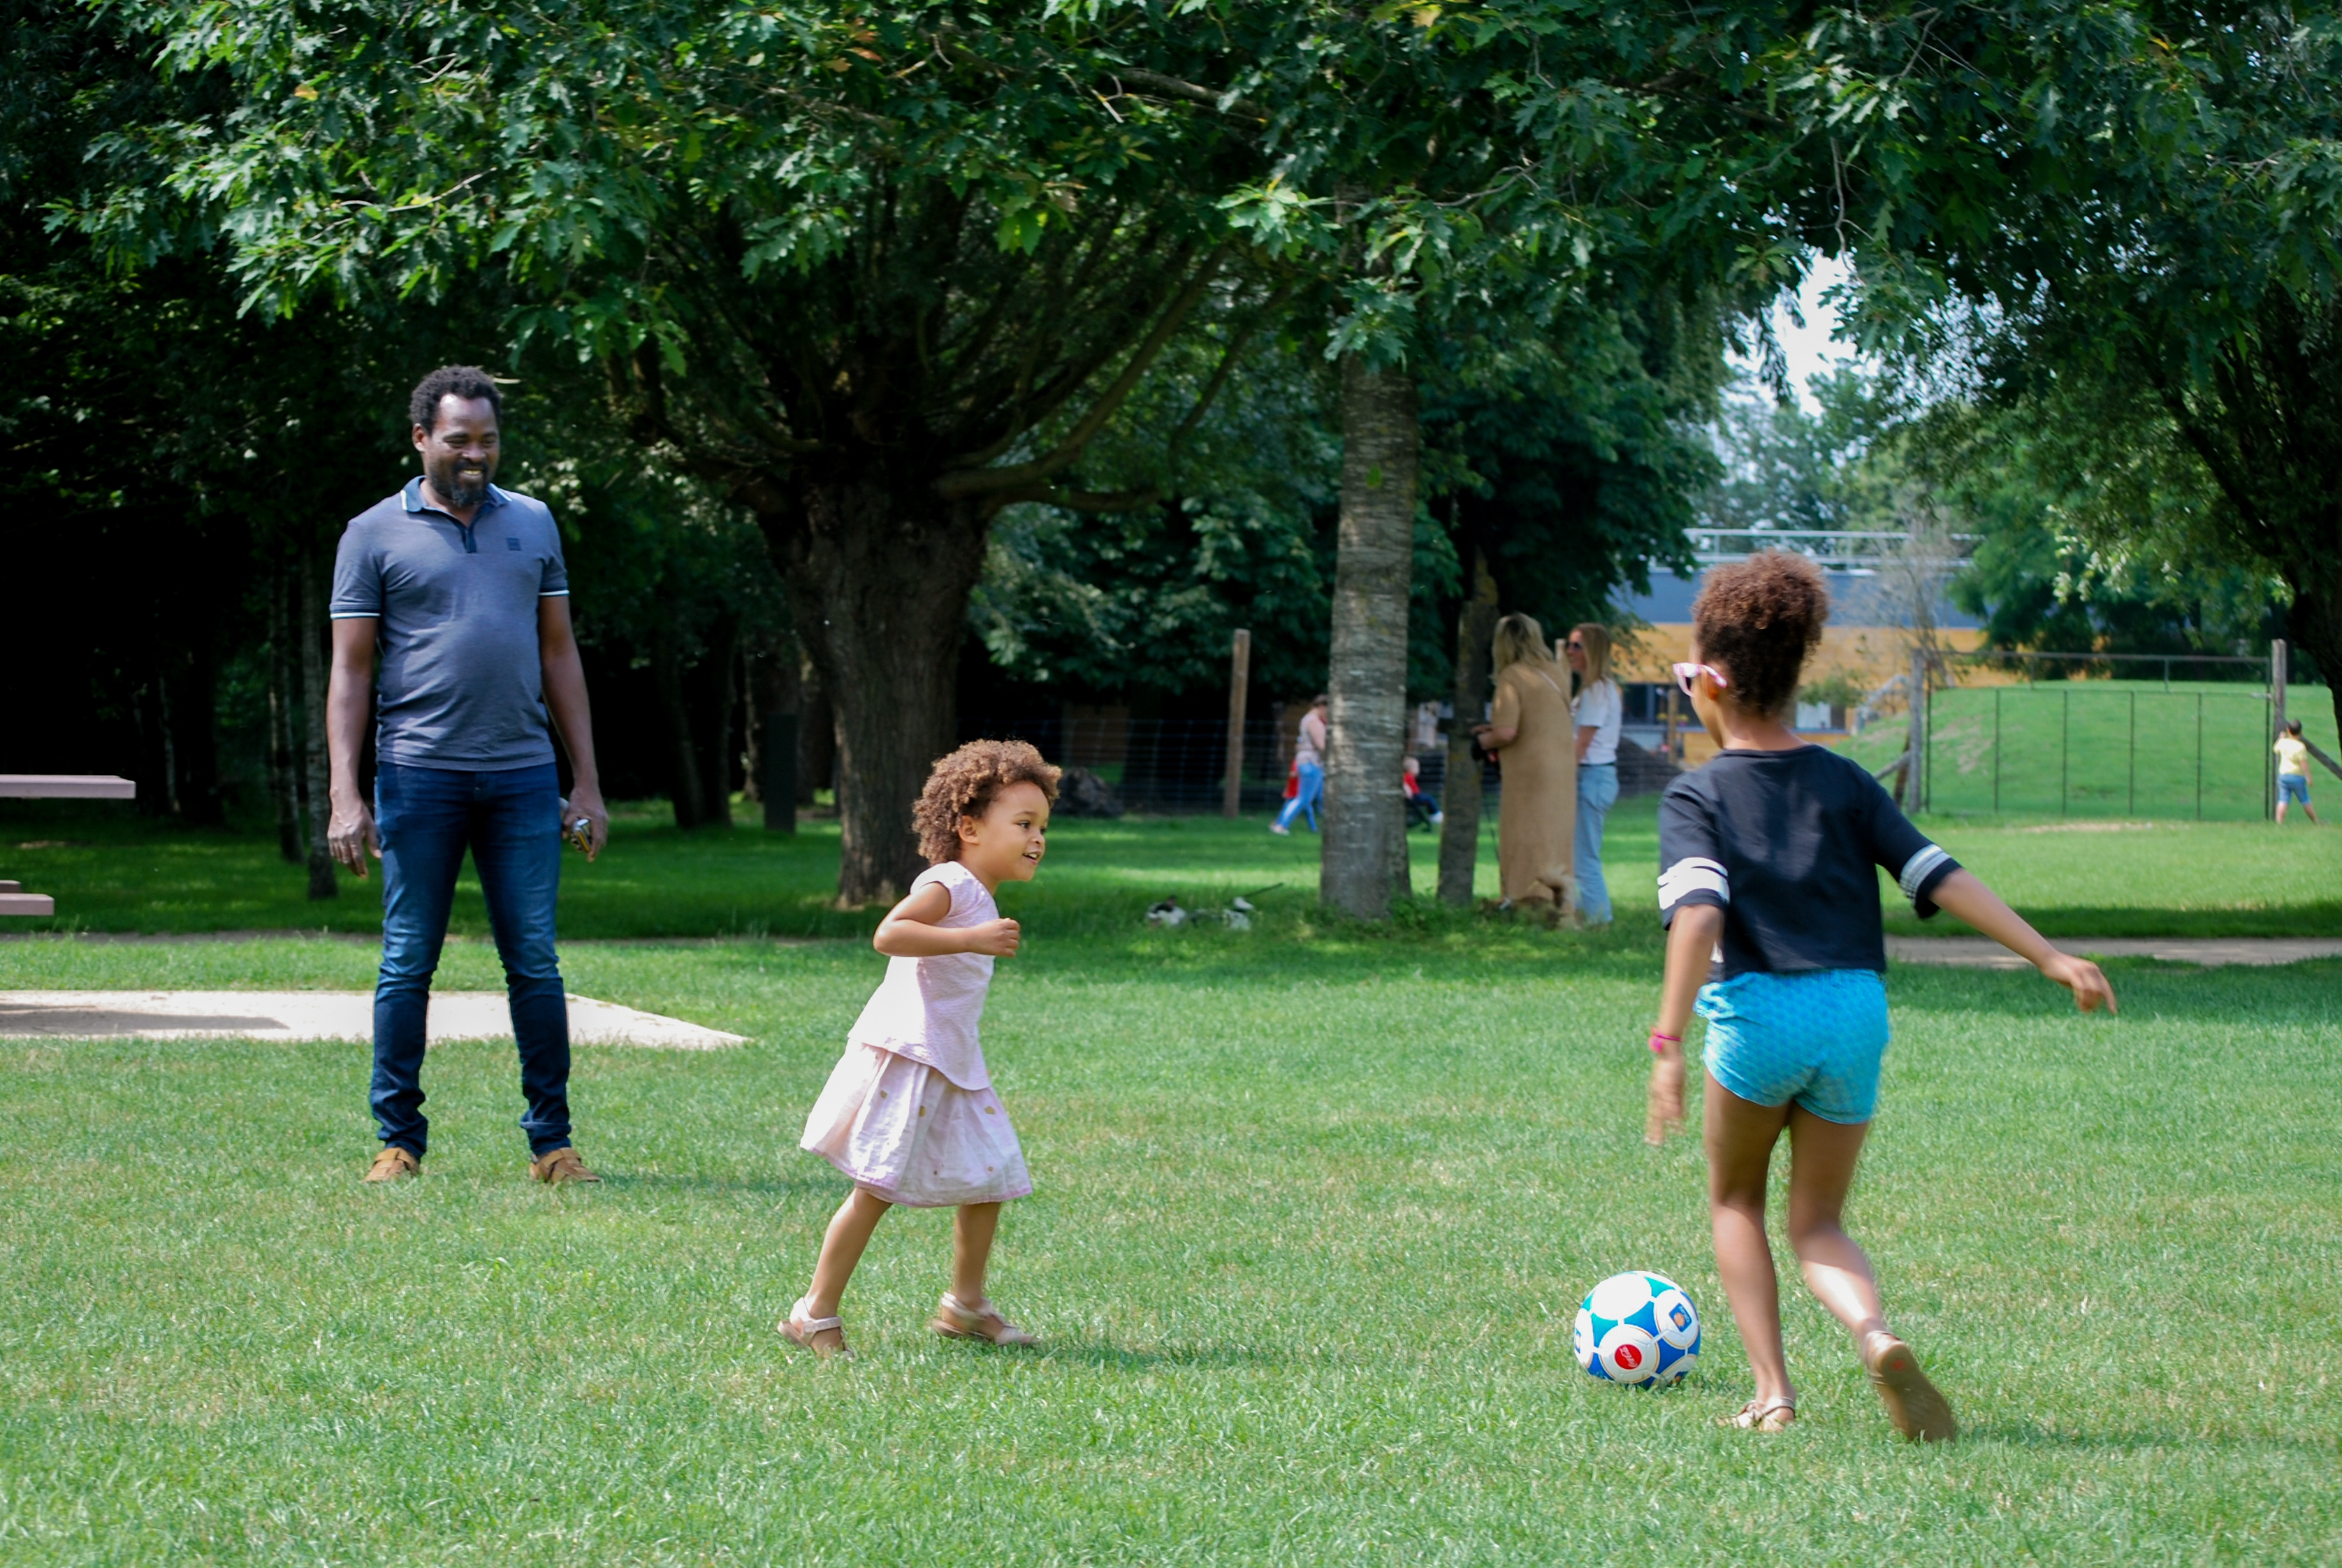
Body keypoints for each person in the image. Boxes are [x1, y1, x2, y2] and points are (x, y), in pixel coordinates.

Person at [1645, 553, 2115, 1441]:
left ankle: (1772, 1395)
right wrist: (2048, 956)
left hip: (1760, 1015)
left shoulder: (1695, 795)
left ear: (1709, 680)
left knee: (1736, 1201)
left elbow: (1700, 917)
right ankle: (1873, 1333)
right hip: (1856, 1013)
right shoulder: (1846, 782)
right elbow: (1939, 875)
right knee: (1819, 1221)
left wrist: (1666, 1045)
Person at [328, 365, 611, 1186]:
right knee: (407, 961)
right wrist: (346, 793)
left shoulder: (534, 522)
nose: (475, 454)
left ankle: (552, 1145)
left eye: (488, 440)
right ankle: (398, 1144)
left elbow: (559, 652)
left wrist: (586, 782)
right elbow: (350, 671)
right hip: (417, 774)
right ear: (422, 438)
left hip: (522, 778)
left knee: (535, 963)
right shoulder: (372, 533)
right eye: (459, 440)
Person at [781, 740, 1059, 1358]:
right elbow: (890, 933)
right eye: (1023, 824)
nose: (1038, 838)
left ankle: (965, 1305)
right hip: (912, 1059)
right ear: (969, 828)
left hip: (954, 1065)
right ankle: (813, 1313)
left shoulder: (977, 892)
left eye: (1042, 826)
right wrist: (974, 938)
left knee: (990, 1178)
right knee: (876, 1189)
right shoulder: (951, 883)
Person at [1473, 614, 1576, 911]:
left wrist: (1481, 742)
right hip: (1562, 772)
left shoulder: (1513, 676)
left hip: (1529, 775)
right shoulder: (1556, 672)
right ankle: (1560, 904)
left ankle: (1524, 900)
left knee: (1524, 836)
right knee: (1554, 839)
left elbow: (1507, 732)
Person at [1565, 623, 1622, 925]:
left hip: (1592, 776)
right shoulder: (1590, 689)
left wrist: (1561, 781)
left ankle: (1600, 922)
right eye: (1569, 645)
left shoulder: (1598, 690)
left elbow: (1582, 744)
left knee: (1585, 858)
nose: (1570, 651)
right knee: (1578, 856)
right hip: (1592, 777)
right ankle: (1580, 915)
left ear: (1594, 651)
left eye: (1577, 646)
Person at [1271, 695, 1329, 835]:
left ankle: (1280, 823)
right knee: (1303, 798)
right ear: (1322, 706)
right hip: (1311, 761)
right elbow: (1321, 745)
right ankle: (1281, 825)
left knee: (1307, 797)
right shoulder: (1314, 721)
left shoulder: (1307, 719)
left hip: (1306, 761)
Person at [2275, 720, 2319, 825]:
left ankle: (2279, 823)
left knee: (2283, 800)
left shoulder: (2283, 742)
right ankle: (2316, 821)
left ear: (2288, 730)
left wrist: (2281, 738)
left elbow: (2276, 749)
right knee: (2305, 800)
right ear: (2300, 732)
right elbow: (2304, 763)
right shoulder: (2300, 747)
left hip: (2283, 776)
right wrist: (2309, 777)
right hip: (2297, 777)